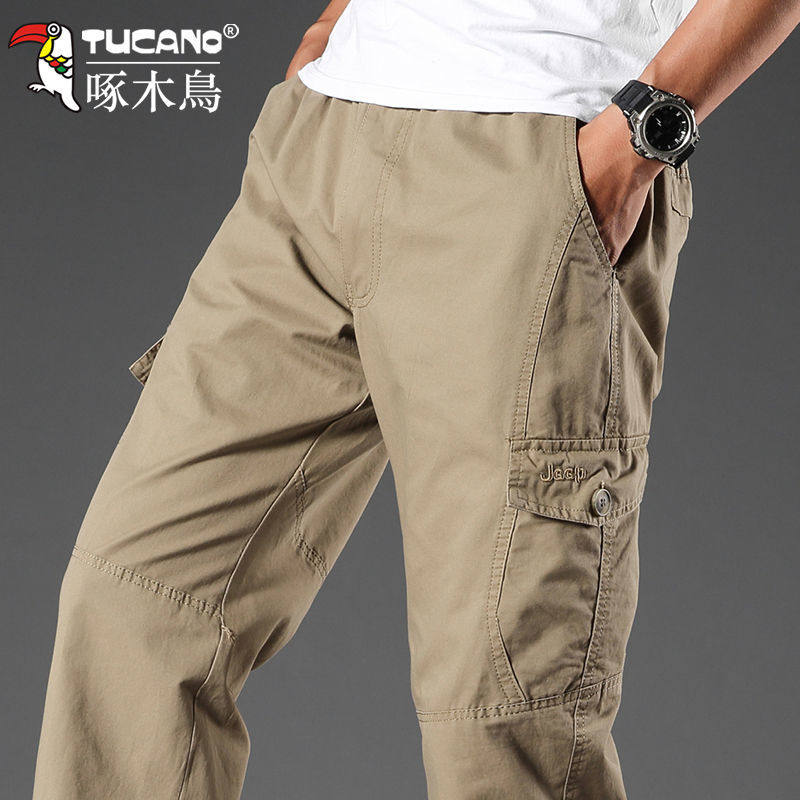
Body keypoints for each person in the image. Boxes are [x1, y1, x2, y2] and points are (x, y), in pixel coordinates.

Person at [31, 1, 800, 798]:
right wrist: (333, 30)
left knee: (499, 715)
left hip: (528, 150)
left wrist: (640, 131)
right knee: (134, 612)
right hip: (328, 134)